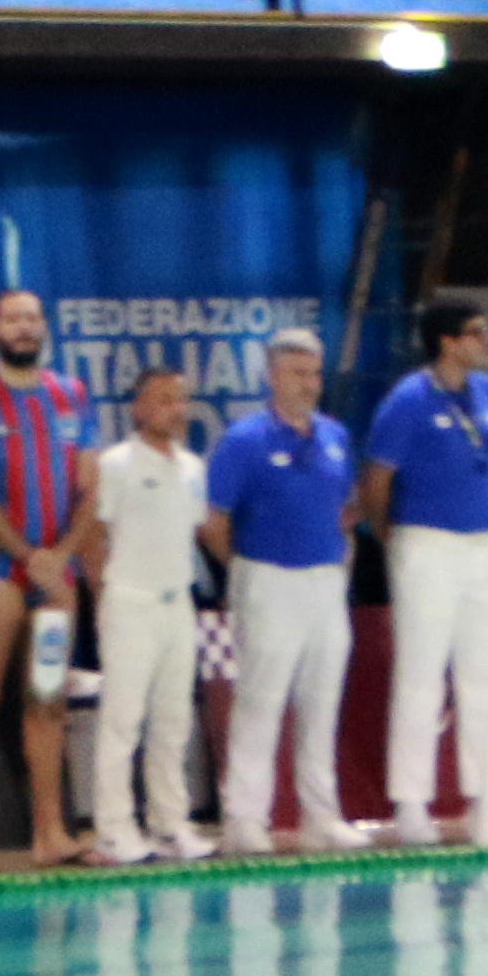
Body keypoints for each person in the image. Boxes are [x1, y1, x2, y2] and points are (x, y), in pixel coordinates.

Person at [360, 297, 488, 848]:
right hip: (426, 545)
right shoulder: (407, 400)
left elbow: (485, 461)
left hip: (483, 546)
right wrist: (395, 538)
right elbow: (376, 481)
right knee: (422, 677)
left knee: (482, 679)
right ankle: (412, 805)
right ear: (448, 342)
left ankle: (487, 804)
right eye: (478, 332)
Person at [0, 290, 96, 874]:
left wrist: (63, 557)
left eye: (33, 319)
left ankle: (49, 829)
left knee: (48, 700)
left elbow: (89, 486)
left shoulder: (71, 395)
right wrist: (33, 557)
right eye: (13, 319)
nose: (25, 328)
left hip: (54, 571)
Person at [202, 329, 362, 852]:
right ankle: (245, 820)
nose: (309, 383)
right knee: (261, 701)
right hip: (267, 578)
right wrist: (245, 569)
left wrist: (338, 558)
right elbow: (213, 520)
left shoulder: (334, 436)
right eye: (297, 373)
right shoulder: (244, 440)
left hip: (324, 583)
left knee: (322, 702)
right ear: (271, 376)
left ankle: (321, 815)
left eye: (315, 373)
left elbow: (345, 508)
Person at [86, 366, 209, 863]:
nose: (173, 408)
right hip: (128, 602)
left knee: (173, 721)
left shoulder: (194, 468)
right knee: (122, 721)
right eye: (160, 399)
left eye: (179, 399)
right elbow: (95, 533)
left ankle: (169, 823)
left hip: (177, 602)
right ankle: (114, 828)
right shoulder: (114, 464)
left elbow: (193, 532)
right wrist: (103, 598)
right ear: (136, 407)